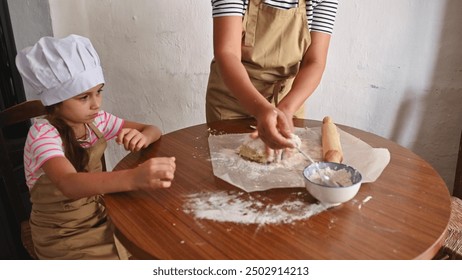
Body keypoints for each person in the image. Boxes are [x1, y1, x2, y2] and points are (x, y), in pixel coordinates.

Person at [16, 34, 176, 260]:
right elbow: (69, 183)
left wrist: (143, 138)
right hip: (62, 234)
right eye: (84, 97)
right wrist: (132, 178)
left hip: (99, 213)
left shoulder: (97, 121)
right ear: (56, 101)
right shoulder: (42, 134)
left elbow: (152, 128)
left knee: (158, 239)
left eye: (99, 91)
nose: (97, 103)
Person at [206, 0, 338, 150]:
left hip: (288, 98)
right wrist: (261, 109)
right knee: (229, 164)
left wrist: (287, 109)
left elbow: (314, 61)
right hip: (233, 100)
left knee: (286, 169)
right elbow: (227, 53)